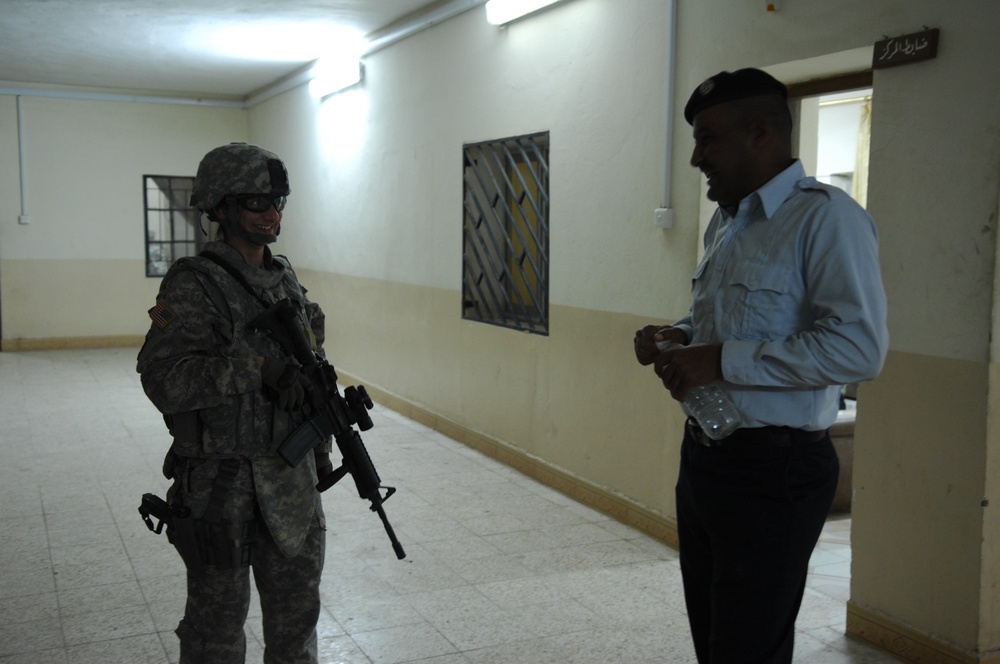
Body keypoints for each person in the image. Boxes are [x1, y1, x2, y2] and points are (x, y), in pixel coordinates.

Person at [634, 69, 888, 663]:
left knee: (748, 647)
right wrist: (680, 334)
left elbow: (859, 349)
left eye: (707, 139)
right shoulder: (728, 221)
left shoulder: (827, 219)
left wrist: (719, 359)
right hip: (706, 456)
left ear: (760, 134)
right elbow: (728, 322)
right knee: (716, 635)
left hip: (776, 471)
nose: (696, 157)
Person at [137, 142, 333, 664]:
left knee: (297, 626)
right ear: (220, 208)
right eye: (255, 203)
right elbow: (162, 378)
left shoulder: (285, 275)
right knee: (215, 634)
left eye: (277, 203)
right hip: (221, 488)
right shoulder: (194, 284)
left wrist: (322, 437)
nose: (271, 215)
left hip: (291, 485)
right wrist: (254, 369)